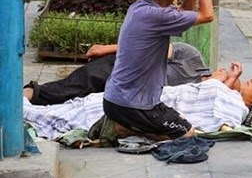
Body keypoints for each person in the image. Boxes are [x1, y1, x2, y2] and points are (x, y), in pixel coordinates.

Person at [103, 0, 213, 141]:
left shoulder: (140, 8)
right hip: (133, 106)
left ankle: (128, 124)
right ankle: (126, 129)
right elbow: (207, 15)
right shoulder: (159, 17)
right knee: (187, 133)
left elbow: (183, 14)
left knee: (180, 120)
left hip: (114, 100)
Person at [23, 63, 252, 140]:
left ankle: (23, 110)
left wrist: (227, 80)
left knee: (76, 113)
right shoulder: (228, 92)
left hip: (154, 109)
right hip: (154, 97)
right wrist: (231, 78)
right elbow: (211, 85)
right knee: (85, 102)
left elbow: (216, 124)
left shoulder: (235, 109)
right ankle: (26, 107)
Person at [23, 42, 211, 106]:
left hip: (125, 96)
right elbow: (147, 49)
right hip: (118, 70)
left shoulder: (197, 93)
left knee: (71, 101)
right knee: (68, 88)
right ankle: (22, 96)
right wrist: (105, 49)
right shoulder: (191, 57)